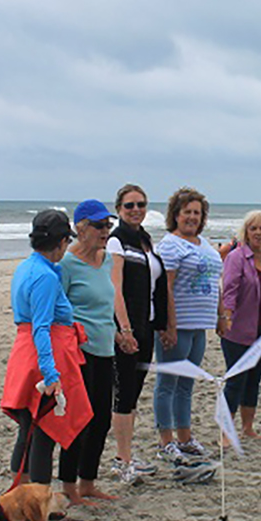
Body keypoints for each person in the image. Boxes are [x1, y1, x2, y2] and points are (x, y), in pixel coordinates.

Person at [2, 210, 93, 486]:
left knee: (29, 429)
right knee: (44, 431)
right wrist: (51, 375)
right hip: (42, 355)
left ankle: (20, 491)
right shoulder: (45, 276)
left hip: (26, 351)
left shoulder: (26, 267)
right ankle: (40, 501)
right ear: (62, 242)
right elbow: (41, 327)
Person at [153, 186, 221, 478]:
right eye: (187, 212)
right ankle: (166, 441)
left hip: (199, 324)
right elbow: (164, 287)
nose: (192, 217)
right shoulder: (170, 245)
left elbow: (215, 282)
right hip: (177, 325)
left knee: (187, 384)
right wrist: (168, 324)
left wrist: (220, 315)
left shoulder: (204, 244)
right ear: (176, 215)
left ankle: (185, 436)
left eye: (197, 212)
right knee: (168, 383)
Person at [58, 200, 118, 504]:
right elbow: (58, 308)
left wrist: (121, 333)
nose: (105, 231)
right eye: (98, 225)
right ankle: (68, 485)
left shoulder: (106, 260)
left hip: (106, 347)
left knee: (101, 419)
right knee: (79, 419)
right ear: (80, 229)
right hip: (79, 352)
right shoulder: (66, 264)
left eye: (108, 225)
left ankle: (87, 482)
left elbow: (109, 304)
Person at [106, 184, 166, 485]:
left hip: (147, 327)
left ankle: (127, 456)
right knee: (124, 394)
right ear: (119, 209)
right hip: (128, 330)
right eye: (129, 205)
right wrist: (125, 329)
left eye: (141, 204)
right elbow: (115, 288)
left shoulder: (144, 240)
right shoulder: (117, 241)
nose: (136, 210)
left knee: (133, 395)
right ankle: (122, 459)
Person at [217, 210, 261, 436]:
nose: (258, 232)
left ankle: (247, 428)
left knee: (254, 378)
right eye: (253, 228)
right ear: (245, 232)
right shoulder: (236, 257)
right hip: (239, 329)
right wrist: (226, 317)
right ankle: (226, 433)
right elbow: (229, 291)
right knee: (236, 380)